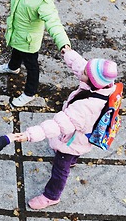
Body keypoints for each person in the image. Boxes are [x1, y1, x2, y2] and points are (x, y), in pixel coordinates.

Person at [14, 48, 118, 209]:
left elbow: (59, 125)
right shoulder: (104, 85)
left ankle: (51, 195)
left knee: (60, 169)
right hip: (82, 136)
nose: (81, 73)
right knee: (71, 156)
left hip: (72, 142)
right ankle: (73, 161)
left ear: (91, 81)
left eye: (84, 73)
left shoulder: (85, 107)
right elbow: (80, 65)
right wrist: (68, 53)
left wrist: (30, 135)